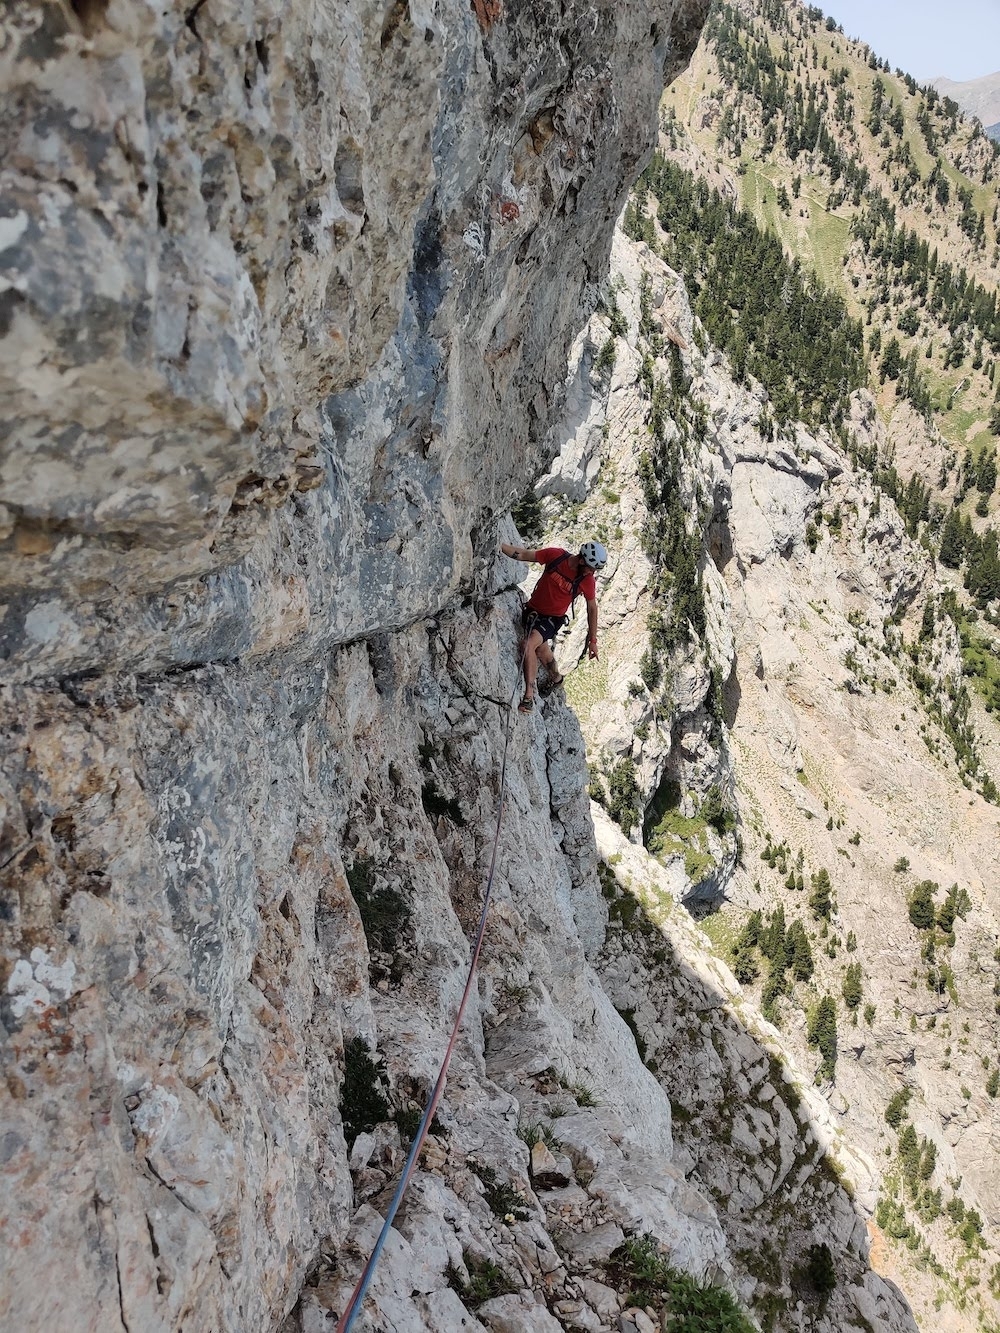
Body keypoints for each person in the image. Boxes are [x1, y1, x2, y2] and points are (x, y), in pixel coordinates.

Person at [500, 539, 607, 713]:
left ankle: (528, 696)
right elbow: (524, 554)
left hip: (552, 619)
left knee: (528, 645)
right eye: (590, 568)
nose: (592, 573)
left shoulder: (587, 581)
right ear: (581, 560)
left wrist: (593, 640)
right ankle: (556, 678)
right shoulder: (555, 556)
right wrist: (499, 545)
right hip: (532, 611)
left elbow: (592, 608)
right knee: (541, 651)